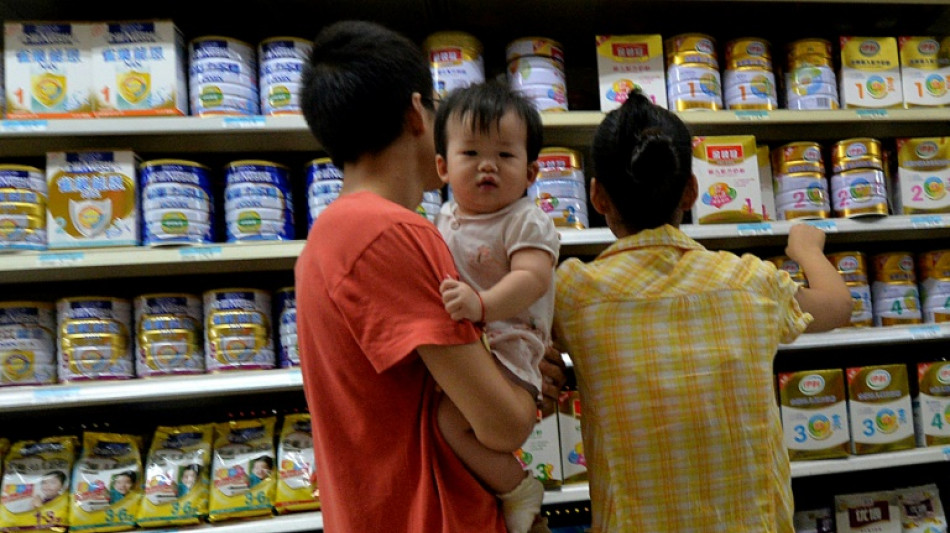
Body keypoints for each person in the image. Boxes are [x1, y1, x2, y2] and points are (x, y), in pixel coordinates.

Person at [295, 20, 564, 532]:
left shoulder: (327, 239)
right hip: (432, 516)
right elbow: (503, 424)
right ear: (416, 112)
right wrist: (521, 393)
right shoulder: (391, 233)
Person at [552, 90, 852, 533]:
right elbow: (837, 305)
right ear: (691, 191)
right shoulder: (750, 281)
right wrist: (806, 248)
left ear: (597, 197)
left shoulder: (572, 292)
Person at [433, 82, 558, 533]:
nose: (488, 165)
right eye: (471, 154)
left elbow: (532, 278)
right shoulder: (443, 218)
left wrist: (481, 304)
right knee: (444, 425)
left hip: (509, 354)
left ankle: (519, 487)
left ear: (529, 173)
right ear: (443, 167)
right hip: (470, 349)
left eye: (505, 156)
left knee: (451, 424)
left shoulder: (524, 218)